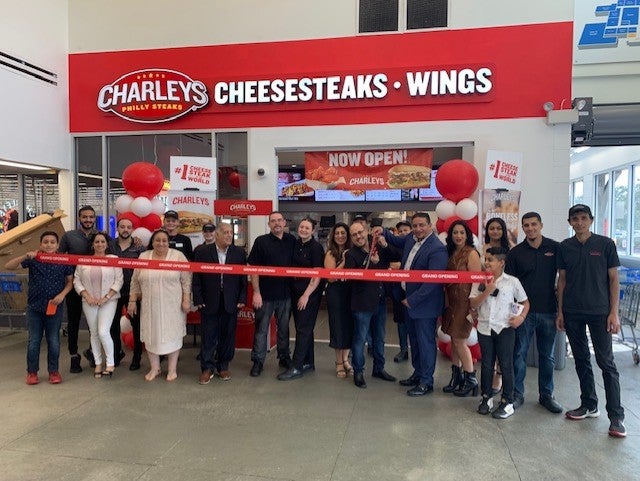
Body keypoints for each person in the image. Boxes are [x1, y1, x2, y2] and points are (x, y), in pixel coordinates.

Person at [556, 204, 626, 438]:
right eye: (575, 219)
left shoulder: (605, 245)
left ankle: (616, 417)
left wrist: (613, 312)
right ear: (570, 222)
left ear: (591, 220)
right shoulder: (565, 247)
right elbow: (562, 281)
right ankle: (589, 404)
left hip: (600, 312)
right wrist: (560, 312)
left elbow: (614, 280)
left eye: (583, 218)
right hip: (573, 311)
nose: (579, 222)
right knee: (581, 360)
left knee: (606, 363)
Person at [380, 212, 448, 396]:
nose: (418, 229)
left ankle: (427, 381)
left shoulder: (437, 249)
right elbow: (397, 241)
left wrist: (413, 300)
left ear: (430, 225)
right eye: (415, 225)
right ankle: (418, 374)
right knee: (415, 343)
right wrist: (384, 232)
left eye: (422, 225)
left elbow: (433, 281)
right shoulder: (411, 238)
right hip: (407, 300)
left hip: (423, 305)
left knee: (425, 344)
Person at [505, 212, 563, 413]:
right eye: (526, 225)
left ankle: (546, 395)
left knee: (547, 357)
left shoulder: (555, 248)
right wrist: (514, 314)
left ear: (541, 225)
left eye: (533, 224)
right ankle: (517, 394)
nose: (530, 228)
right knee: (519, 354)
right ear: (522, 228)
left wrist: (561, 311)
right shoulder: (515, 253)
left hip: (549, 311)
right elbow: (510, 288)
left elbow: (563, 279)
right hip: (524, 314)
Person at [4, 231, 74, 385]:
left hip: (54, 308)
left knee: (54, 341)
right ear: (40, 244)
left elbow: (70, 282)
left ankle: (54, 372)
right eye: (46, 242)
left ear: (57, 245)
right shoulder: (34, 259)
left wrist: (62, 295)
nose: (49, 244)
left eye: (52, 242)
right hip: (34, 308)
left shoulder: (64, 260)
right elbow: (8, 266)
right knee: (34, 341)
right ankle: (32, 372)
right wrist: (25, 256)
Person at [470, 246, 529, 419]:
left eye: (490, 260)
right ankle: (486, 397)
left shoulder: (512, 282)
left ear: (501, 263)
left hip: (504, 328)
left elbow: (525, 302)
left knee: (505, 364)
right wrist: (487, 291)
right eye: (485, 259)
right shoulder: (479, 280)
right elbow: (473, 304)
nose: (486, 263)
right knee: (487, 364)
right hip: (484, 328)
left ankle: (507, 401)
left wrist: (521, 318)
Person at [128, 229, 192, 382]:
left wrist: (186, 299)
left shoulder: (178, 256)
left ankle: (172, 370)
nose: (161, 243)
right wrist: (132, 301)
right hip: (150, 306)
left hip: (172, 306)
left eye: (164, 240)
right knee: (152, 336)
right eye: (157, 240)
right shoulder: (144, 256)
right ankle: (155, 368)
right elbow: (135, 281)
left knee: (173, 336)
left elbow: (186, 280)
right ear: (152, 242)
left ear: (168, 242)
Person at [193, 222, 247, 384]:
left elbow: (242, 278)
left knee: (227, 335)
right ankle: (207, 368)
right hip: (209, 300)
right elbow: (197, 277)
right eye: (225, 232)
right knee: (209, 335)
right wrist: (198, 298)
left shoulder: (238, 253)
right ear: (216, 235)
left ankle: (223, 366)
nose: (229, 235)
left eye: (231, 232)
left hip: (231, 301)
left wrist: (242, 298)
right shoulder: (202, 252)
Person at [345, 221, 396, 388]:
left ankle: (379, 369)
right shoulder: (351, 254)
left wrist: (385, 244)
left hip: (380, 301)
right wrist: (371, 264)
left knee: (380, 338)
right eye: (354, 234)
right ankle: (358, 372)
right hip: (361, 304)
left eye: (360, 232)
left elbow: (395, 256)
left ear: (366, 231)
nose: (358, 236)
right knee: (360, 340)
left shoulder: (378, 247)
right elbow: (353, 279)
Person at [247, 211, 296, 377]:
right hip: (265, 295)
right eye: (273, 221)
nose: (277, 223)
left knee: (284, 329)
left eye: (279, 220)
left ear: (284, 223)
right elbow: (253, 268)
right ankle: (258, 361)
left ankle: (284, 357)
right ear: (269, 224)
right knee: (261, 330)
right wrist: (256, 292)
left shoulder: (292, 241)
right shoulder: (261, 242)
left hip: (286, 295)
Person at [278, 218, 325, 380]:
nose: (303, 229)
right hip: (294, 292)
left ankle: (297, 367)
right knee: (303, 328)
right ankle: (308, 362)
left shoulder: (316, 248)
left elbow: (317, 273)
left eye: (307, 228)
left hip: (309, 294)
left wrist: (306, 295)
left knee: (303, 329)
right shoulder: (295, 243)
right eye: (301, 227)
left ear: (313, 231)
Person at [73, 232, 124, 378]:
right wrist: (86, 296)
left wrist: (106, 297)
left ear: (107, 244)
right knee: (94, 333)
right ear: (92, 244)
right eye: (97, 242)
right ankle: (97, 363)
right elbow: (77, 281)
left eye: (102, 242)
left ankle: (110, 363)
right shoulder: (83, 261)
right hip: (88, 301)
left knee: (103, 331)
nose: (100, 244)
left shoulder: (114, 259)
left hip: (109, 300)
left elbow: (118, 280)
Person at [442, 220, 482, 397]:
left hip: (465, 303)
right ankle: (457, 375)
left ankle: (471, 379)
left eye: (462, 233)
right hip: (451, 301)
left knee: (460, 340)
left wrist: (473, 304)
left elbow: (476, 279)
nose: (458, 236)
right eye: (455, 233)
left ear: (467, 235)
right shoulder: (451, 252)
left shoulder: (471, 253)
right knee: (453, 338)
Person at [59, 205, 101, 373]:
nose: (88, 220)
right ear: (79, 218)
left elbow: (112, 253)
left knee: (94, 324)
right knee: (73, 322)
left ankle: (93, 353)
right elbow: (59, 259)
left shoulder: (100, 236)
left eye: (91, 217)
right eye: (85, 217)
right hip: (74, 286)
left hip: (95, 287)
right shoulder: (69, 236)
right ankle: (74, 356)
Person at [110, 217, 146, 371]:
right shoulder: (109, 246)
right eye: (122, 226)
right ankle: (117, 353)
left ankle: (137, 357)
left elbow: (144, 269)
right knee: (113, 326)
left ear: (132, 230)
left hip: (133, 293)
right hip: (113, 292)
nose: (125, 229)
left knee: (136, 325)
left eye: (128, 227)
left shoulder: (139, 247)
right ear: (117, 228)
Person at [483, 217, 511, 394]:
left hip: (504, 299)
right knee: (487, 343)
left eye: (498, 228)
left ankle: (499, 376)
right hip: (485, 297)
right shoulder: (481, 249)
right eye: (491, 228)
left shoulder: (510, 250)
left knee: (502, 338)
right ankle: (489, 377)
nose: (495, 231)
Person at [324, 222, 353, 378]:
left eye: (343, 233)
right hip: (336, 294)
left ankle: (346, 359)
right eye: (337, 233)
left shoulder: (354, 250)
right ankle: (338, 363)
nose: (340, 236)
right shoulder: (330, 253)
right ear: (333, 236)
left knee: (349, 327)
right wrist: (344, 261)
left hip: (351, 293)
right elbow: (330, 277)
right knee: (337, 327)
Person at [391, 220, 412, 363]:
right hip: (398, 289)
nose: (404, 233)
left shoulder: (417, 246)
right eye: (401, 231)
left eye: (406, 230)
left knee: (415, 321)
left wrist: (401, 265)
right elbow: (391, 265)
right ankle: (403, 349)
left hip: (415, 290)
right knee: (400, 321)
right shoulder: (394, 246)